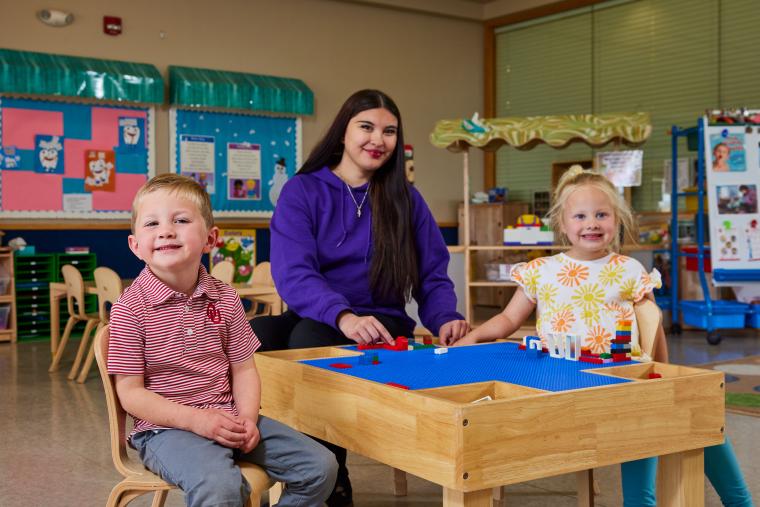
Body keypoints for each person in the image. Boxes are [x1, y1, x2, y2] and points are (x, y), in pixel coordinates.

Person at [453, 167, 753, 507]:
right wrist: (473, 336)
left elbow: (653, 325)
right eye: (580, 216)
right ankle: (644, 501)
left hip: (624, 377)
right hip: (561, 383)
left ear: (617, 220)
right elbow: (508, 318)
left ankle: (738, 502)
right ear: (563, 224)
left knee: (701, 410)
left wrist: (665, 373)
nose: (591, 223)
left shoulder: (629, 269)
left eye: (601, 214)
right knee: (649, 421)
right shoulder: (541, 270)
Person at [251, 89, 469, 506]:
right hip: (321, 313)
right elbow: (293, 272)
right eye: (366, 127)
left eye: (389, 131)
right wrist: (343, 315)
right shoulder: (303, 190)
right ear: (343, 132)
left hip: (381, 321)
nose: (378, 139)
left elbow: (432, 272)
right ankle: (274, 460)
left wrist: (445, 317)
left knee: (309, 342)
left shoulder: (406, 198)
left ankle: (330, 477)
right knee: (255, 335)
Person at [107, 174, 338, 507]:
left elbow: (244, 369)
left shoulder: (225, 297)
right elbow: (130, 394)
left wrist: (245, 419)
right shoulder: (130, 308)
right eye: (152, 223)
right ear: (135, 245)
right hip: (166, 430)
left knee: (320, 467)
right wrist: (197, 420)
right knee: (222, 487)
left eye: (181, 220)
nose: (166, 230)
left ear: (210, 239)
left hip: (229, 416)